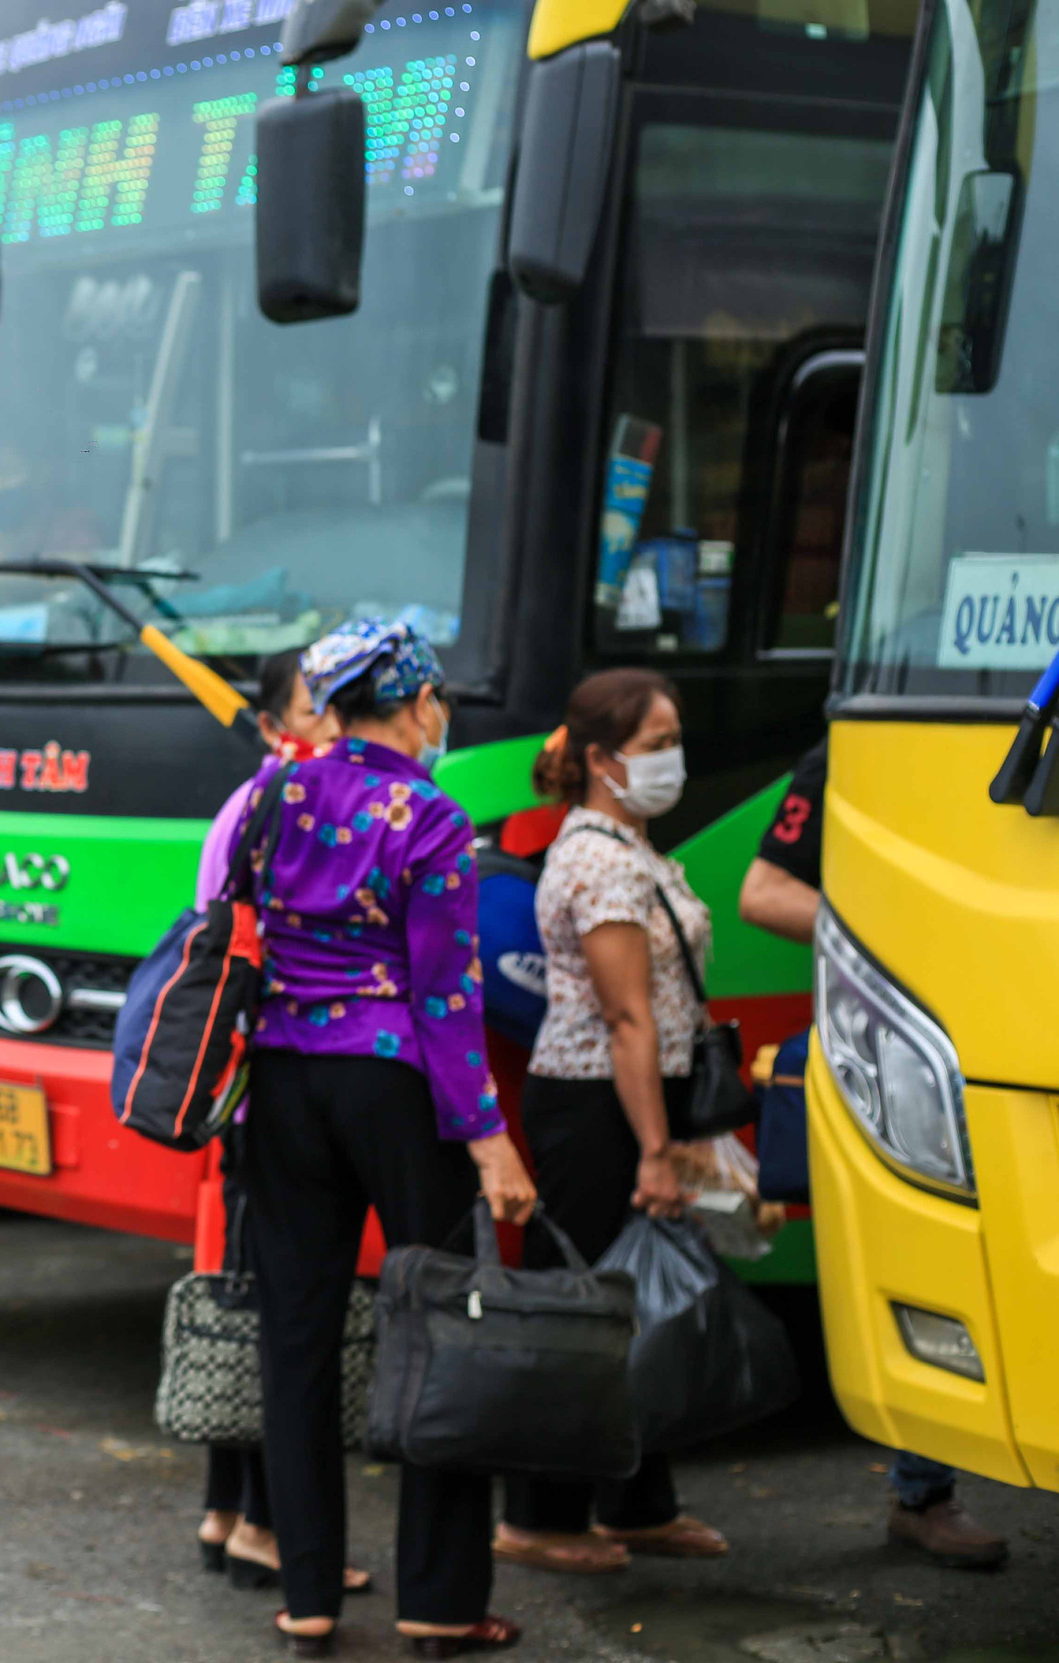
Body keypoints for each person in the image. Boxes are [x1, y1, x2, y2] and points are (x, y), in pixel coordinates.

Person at [230, 619, 537, 1657]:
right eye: (435, 702)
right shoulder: (432, 817)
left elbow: (229, 929)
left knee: (297, 1335)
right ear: (415, 706)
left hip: (276, 1085)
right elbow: (446, 998)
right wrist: (488, 1137)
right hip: (394, 1088)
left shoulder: (269, 795)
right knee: (440, 1329)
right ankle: (438, 1600)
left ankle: (307, 1592)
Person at [739, 743, 1010, 1571]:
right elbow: (764, 892)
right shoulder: (866, 746)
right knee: (929, 1247)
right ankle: (922, 1492)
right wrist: (902, 942)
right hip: (923, 1047)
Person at [495, 668, 726, 1575]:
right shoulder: (595, 859)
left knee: (642, 1306)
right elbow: (628, 1016)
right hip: (597, 1108)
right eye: (656, 743)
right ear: (599, 758)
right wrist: (657, 1152)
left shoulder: (634, 846)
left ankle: (637, 1503)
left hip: (634, 1100)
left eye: (675, 740)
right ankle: (538, 1515)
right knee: (582, 1317)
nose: (673, 759)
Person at [193, 649, 368, 1594]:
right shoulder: (286, 807)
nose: (335, 727)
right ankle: (263, 1518)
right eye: (315, 710)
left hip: (247, 1093)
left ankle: (227, 1506)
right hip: (272, 1091)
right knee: (277, 1312)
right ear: (271, 727)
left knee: (246, 1293)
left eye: (340, 709)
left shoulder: (252, 805)